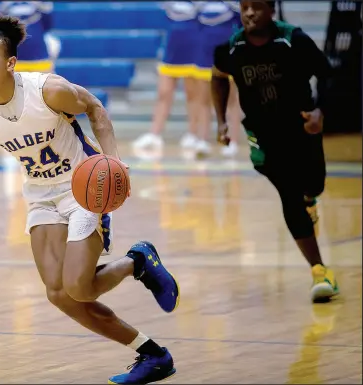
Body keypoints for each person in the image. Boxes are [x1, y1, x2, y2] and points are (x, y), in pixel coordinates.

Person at [0, 15, 180, 384]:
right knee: (59, 294)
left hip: (83, 189)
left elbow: (94, 107)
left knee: (79, 286)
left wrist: (113, 161)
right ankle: (152, 353)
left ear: (11, 62)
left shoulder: (48, 90)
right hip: (41, 196)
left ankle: (135, 262)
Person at [211, 0, 339, 303]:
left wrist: (320, 111)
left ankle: (311, 199)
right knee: (289, 193)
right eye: (244, 6)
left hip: (301, 128)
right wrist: (222, 124)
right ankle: (320, 271)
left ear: (271, 10)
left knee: (314, 184)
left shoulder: (293, 41)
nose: (249, 13)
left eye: (256, 7)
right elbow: (217, 79)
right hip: (263, 135)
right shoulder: (230, 48)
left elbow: (327, 74)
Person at [132, 1, 202, 152]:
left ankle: (193, 134)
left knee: (192, 93)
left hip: (193, 45)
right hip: (172, 46)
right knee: (164, 92)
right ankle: (155, 134)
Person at [193, 0, 243, 157]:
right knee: (203, 98)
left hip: (227, 48)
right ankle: (202, 140)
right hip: (204, 50)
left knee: (231, 99)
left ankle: (232, 140)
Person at [0, 1, 60, 73]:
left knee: (53, 43)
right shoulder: (6, 5)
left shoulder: (41, 6)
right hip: (15, 59)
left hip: (39, 60)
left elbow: (48, 25)